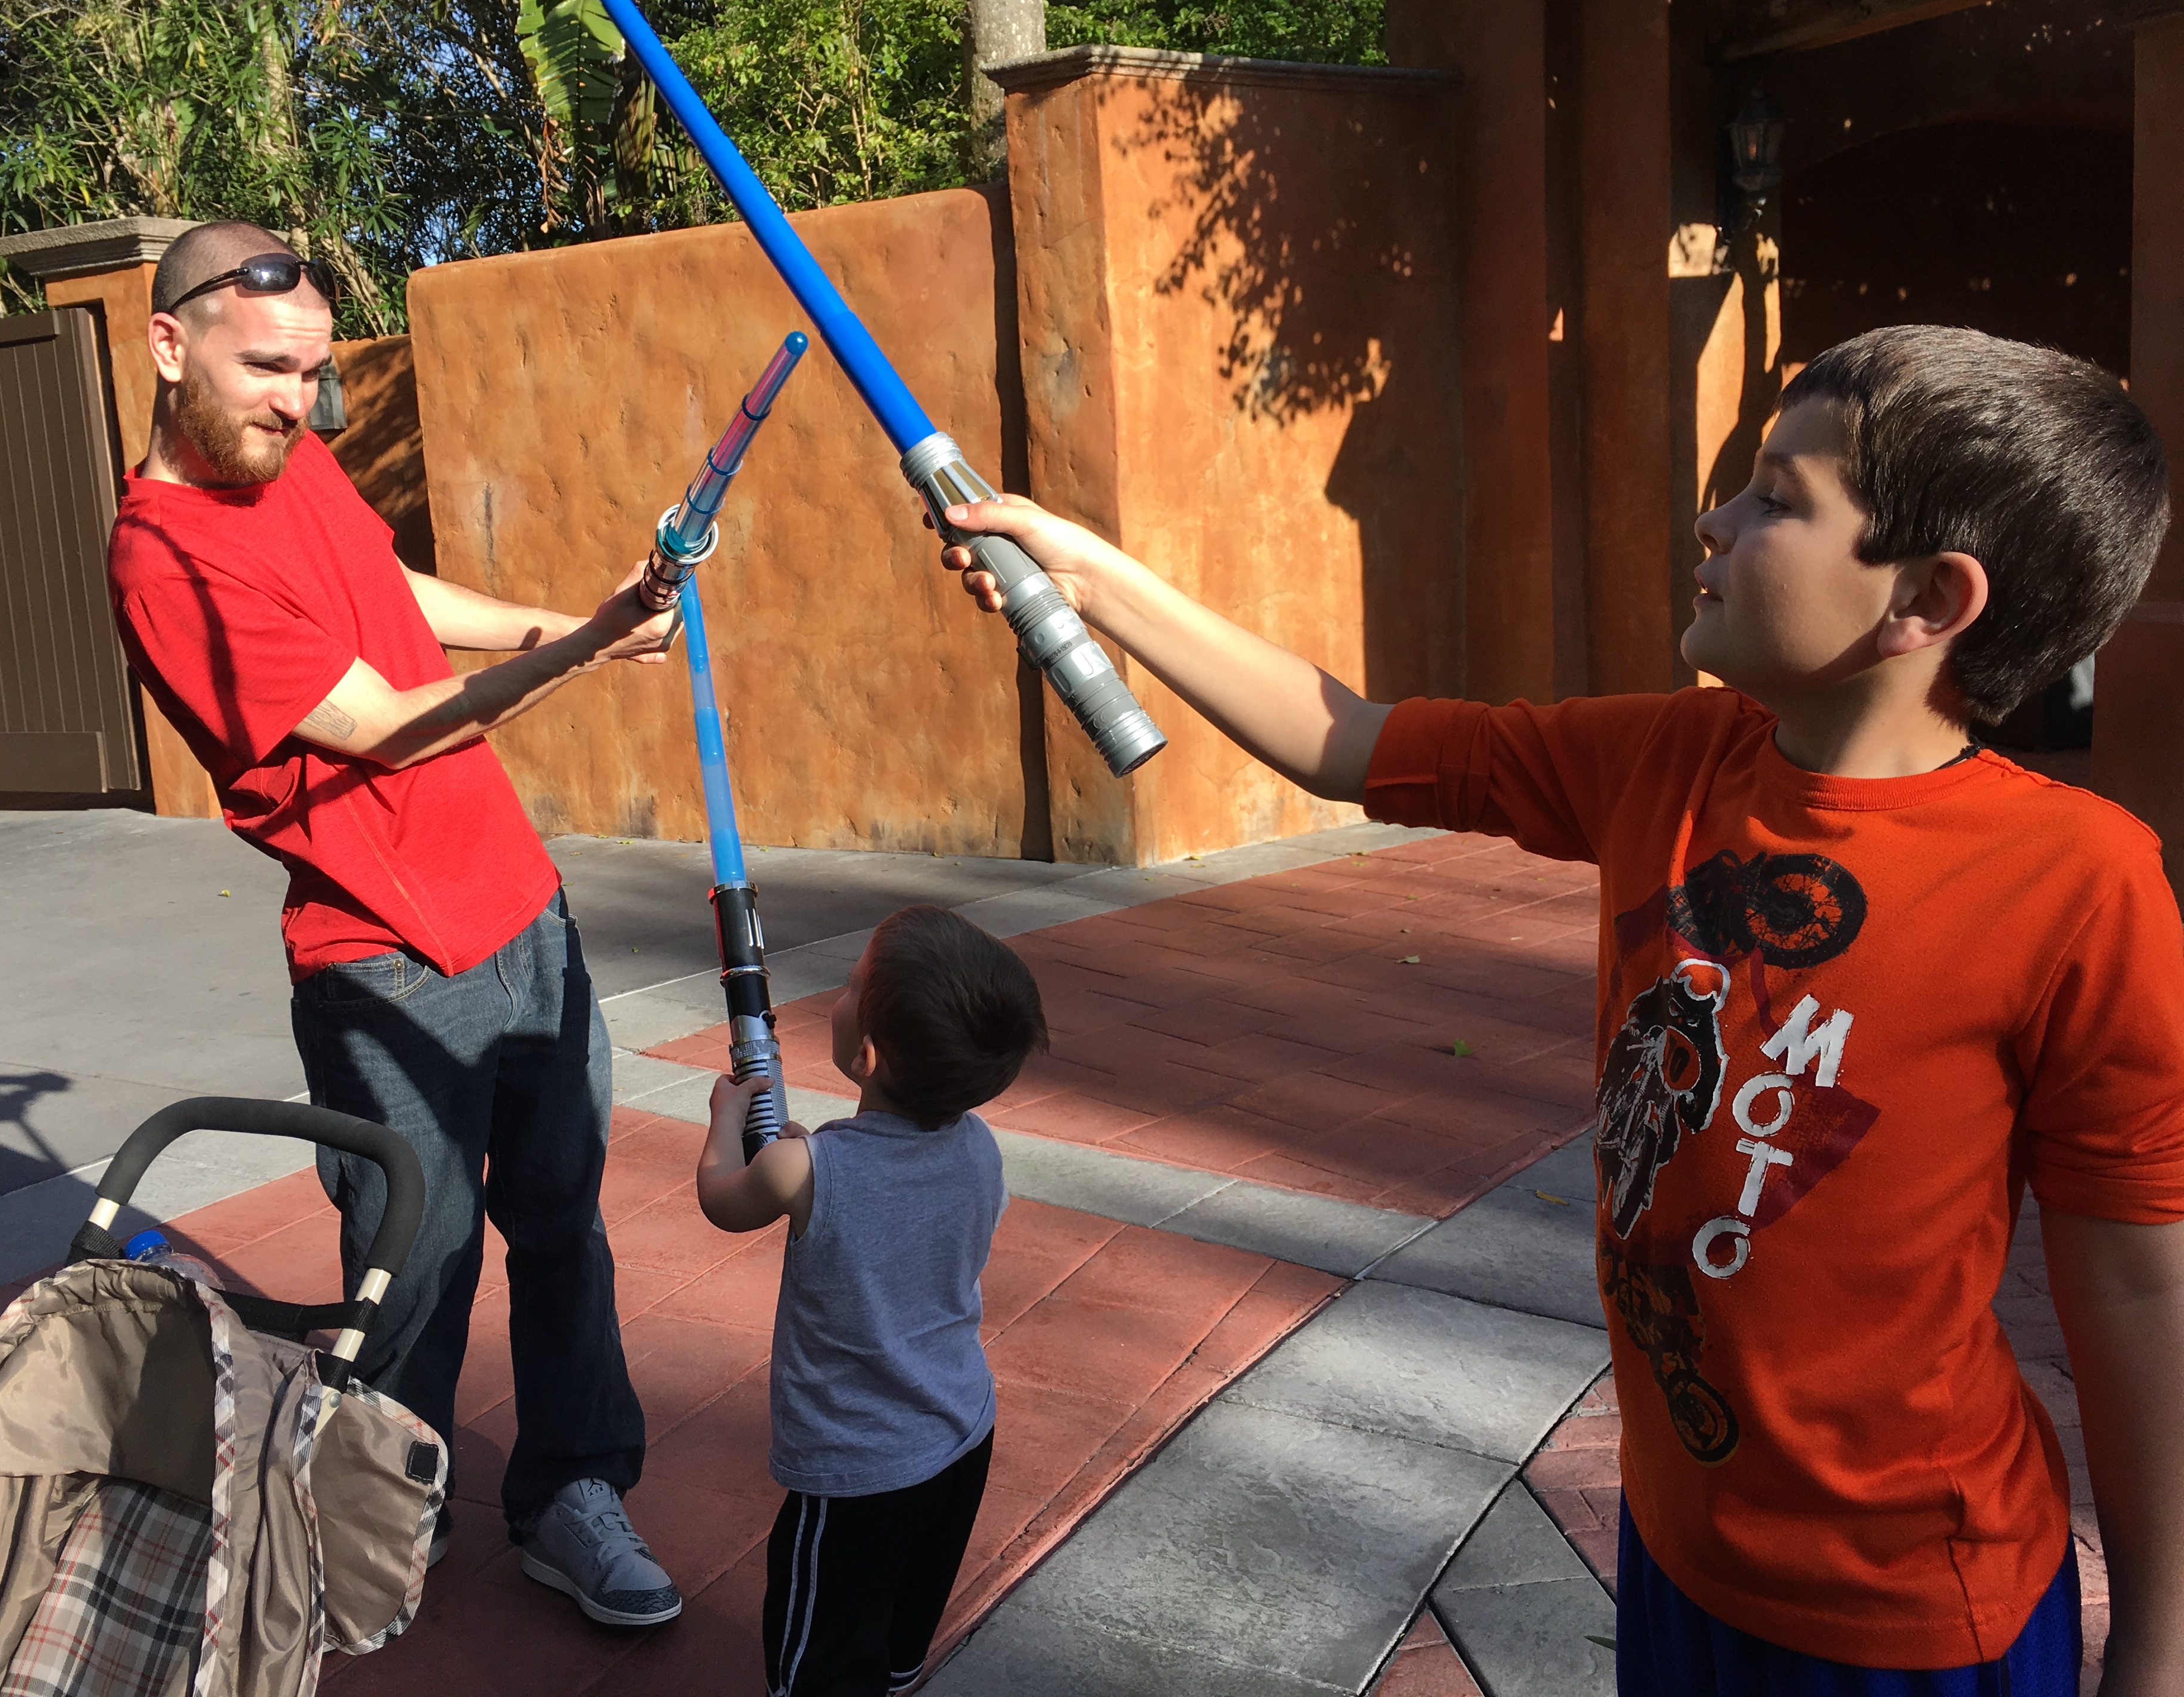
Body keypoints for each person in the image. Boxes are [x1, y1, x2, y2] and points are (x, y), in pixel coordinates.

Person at [936, 326, 2184, 1694]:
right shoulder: (1670, 755)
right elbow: (1352, 741)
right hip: (1677, 1549)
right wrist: (1087, 573)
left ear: (1930, 598)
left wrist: (2161, 1646)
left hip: (1915, 1617)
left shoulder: (2079, 882)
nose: (1714, 520)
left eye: (1778, 497)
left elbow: (2134, 1283)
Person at [106, 220, 684, 1626]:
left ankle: (572, 1495)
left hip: (523, 913)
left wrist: (561, 621)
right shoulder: (162, 560)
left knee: (563, 1228)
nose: (295, 401)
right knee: (413, 1263)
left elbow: (391, 601)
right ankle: (375, 1518)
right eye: (265, 369)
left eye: (311, 373)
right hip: (383, 961)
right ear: (169, 345)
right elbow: (382, 726)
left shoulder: (288, 457)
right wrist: (585, 652)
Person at [696, 904, 1047, 1696]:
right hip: (960, 1435)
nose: (841, 991)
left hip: (857, 1469)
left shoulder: (806, 1171)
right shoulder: (979, 1146)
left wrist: (726, 1120)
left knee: (818, 1656)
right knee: (896, 1633)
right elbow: (885, 1204)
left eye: (854, 985)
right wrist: (805, 1156)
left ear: (868, 1055)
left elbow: (723, 1199)